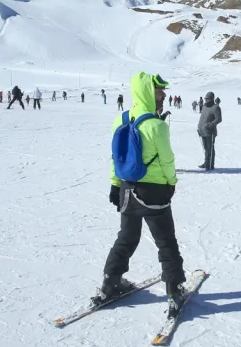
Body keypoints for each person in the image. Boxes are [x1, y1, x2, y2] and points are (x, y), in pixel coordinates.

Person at [95, 72, 187, 319]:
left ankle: (110, 283)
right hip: (154, 191)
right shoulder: (156, 125)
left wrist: (115, 184)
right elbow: (167, 160)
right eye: (159, 91)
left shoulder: (121, 119)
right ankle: (175, 289)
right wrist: (171, 183)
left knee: (126, 237)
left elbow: (117, 156)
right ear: (147, 91)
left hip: (126, 190)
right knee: (166, 241)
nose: (164, 95)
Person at [197, 92, 222, 170]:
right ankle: (206, 163)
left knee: (210, 148)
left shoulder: (215, 107)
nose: (206, 100)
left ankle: (210, 164)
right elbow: (202, 118)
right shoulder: (204, 107)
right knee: (206, 148)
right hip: (202, 130)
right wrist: (200, 127)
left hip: (210, 131)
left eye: (208, 98)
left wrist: (209, 125)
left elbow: (219, 119)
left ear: (211, 98)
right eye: (205, 98)